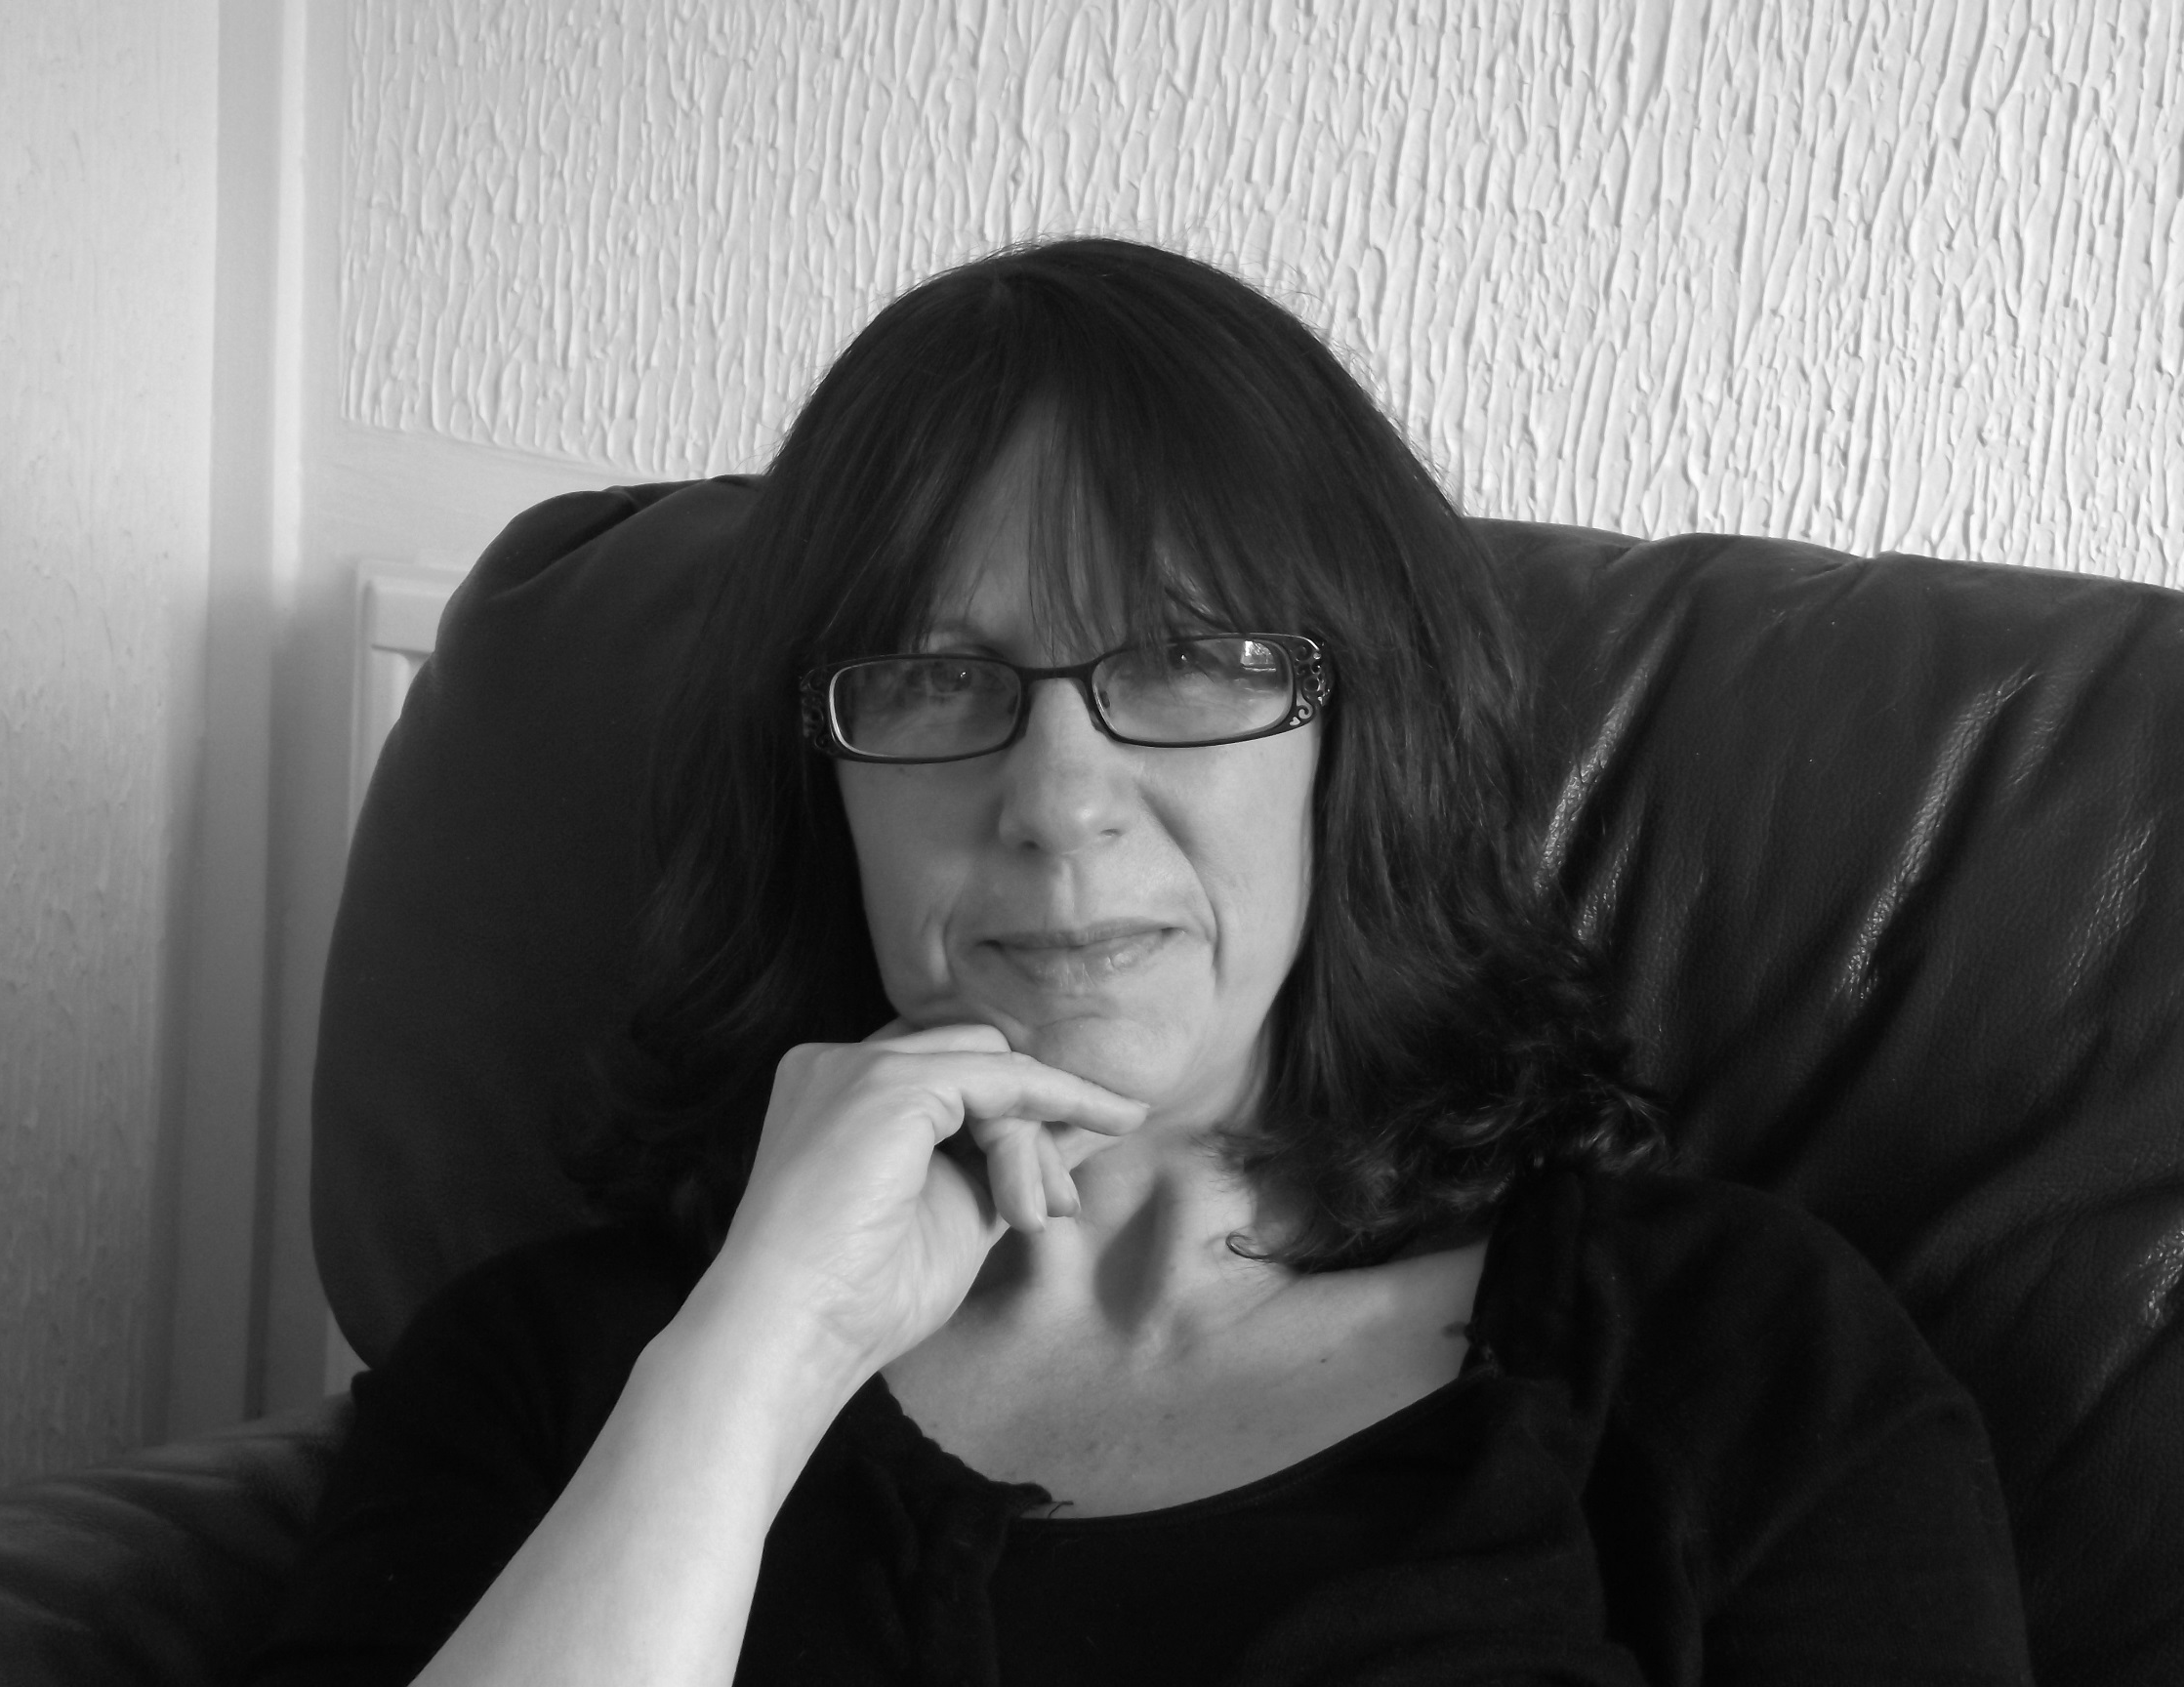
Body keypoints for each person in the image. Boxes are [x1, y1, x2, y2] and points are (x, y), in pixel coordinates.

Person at [251, 239, 2032, 1686]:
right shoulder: (563, 1372)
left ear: (1361, 742)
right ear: (822, 788)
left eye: (1188, 661)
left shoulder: (1736, 1358)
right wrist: (759, 1351)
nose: (1056, 805)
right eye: (935, 681)